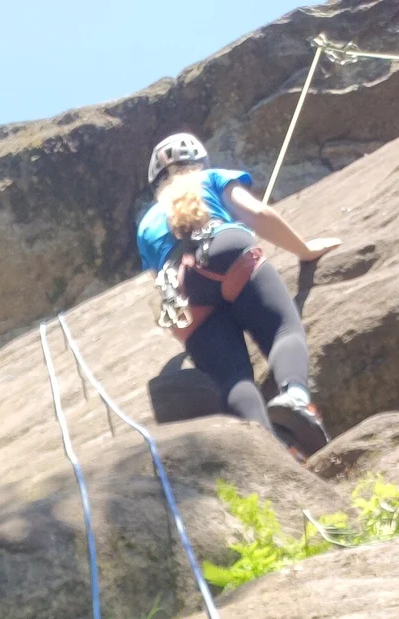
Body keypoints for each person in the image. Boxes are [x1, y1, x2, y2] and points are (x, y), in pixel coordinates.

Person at [137, 129, 339, 457]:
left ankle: (273, 454)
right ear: (199, 161)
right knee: (283, 331)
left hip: (182, 286)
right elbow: (257, 214)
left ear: (157, 181)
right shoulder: (212, 178)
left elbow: (157, 281)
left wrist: (189, 333)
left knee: (231, 377)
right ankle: (295, 399)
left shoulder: (146, 223)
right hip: (225, 249)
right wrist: (304, 250)